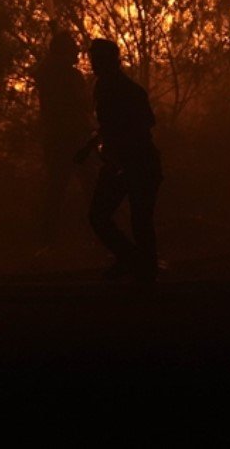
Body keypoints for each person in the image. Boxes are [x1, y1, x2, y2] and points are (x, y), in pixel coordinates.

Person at [79, 38, 161, 283]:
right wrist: (90, 147)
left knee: (132, 219)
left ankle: (139, 267)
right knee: (124, 218)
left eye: (97, 59)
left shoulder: (123, 89)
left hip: (136, 163)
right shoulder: (106, 87)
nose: (93, 64)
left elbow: (142, 124)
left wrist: (115, 151)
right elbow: (110, 126)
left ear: (110, 60)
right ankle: (139, 264)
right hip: (129, 163)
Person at [31, 30, 90, 245]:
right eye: (72, 48)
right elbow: (83, 104)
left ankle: (47, 239)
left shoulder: (47, 73)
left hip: (56, 139)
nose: (77, 52)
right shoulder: (70, 76)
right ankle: (98, 235)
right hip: (75, 139)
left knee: (55, 190)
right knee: (92, 188)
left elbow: (40, 71)